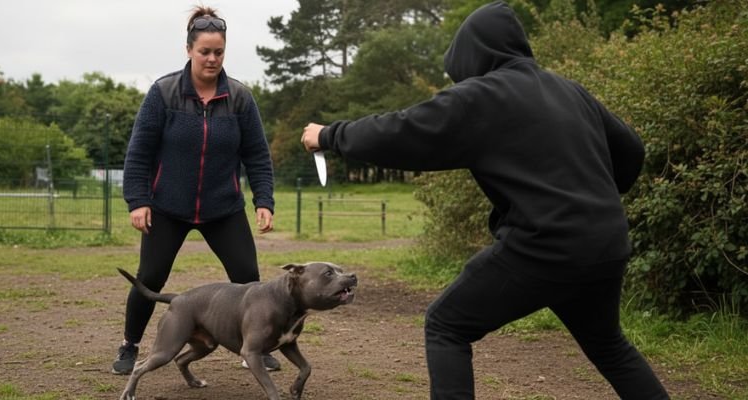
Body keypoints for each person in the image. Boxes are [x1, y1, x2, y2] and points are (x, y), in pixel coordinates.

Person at [301, 1, 669, 399]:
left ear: (471, 54)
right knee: (609, 345)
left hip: (546, 245)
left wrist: (328, 135)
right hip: (605, 240)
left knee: (447, 325)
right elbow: (632, 151)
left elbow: (401, 131)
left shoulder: (483, 95)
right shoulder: (567, 90)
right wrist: (591, 200)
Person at [113, 6, 280, 375]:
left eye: (219, 52)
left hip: (223, 208)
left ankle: (259, 347)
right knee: (151, 277)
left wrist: (263, 200)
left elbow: (257, 156)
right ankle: (130, 345)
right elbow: (138, 152)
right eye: (205, 51)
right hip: (168, 207)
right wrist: (138, 200)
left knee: (248, 277)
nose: (212, 59)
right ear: (189, 49)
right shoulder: (164, 93)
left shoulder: (239, 98)